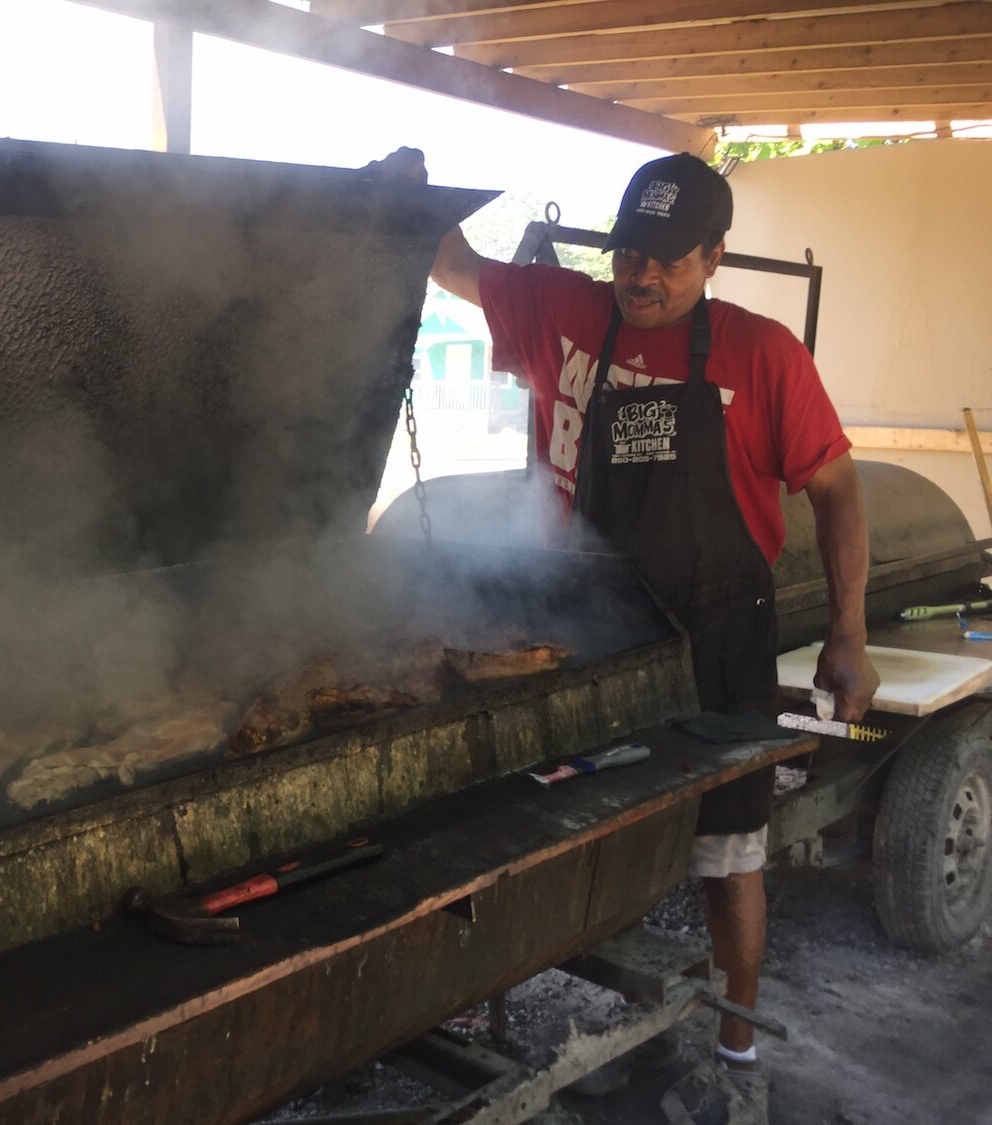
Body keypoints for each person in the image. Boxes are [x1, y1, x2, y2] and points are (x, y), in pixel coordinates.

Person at [374, 148, 881, 1115]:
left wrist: (848, 631)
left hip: (718, 636)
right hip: (582, 639)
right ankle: (499, 1017)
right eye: (629, 254)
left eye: (668, 259)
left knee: (728, 859)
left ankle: (737, 1052)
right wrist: (403, 193)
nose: (642, 276)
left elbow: (837, 485)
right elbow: (447, 261)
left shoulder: (761, 350)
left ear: (715, 255)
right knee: (547, 837)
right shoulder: (560, 308)